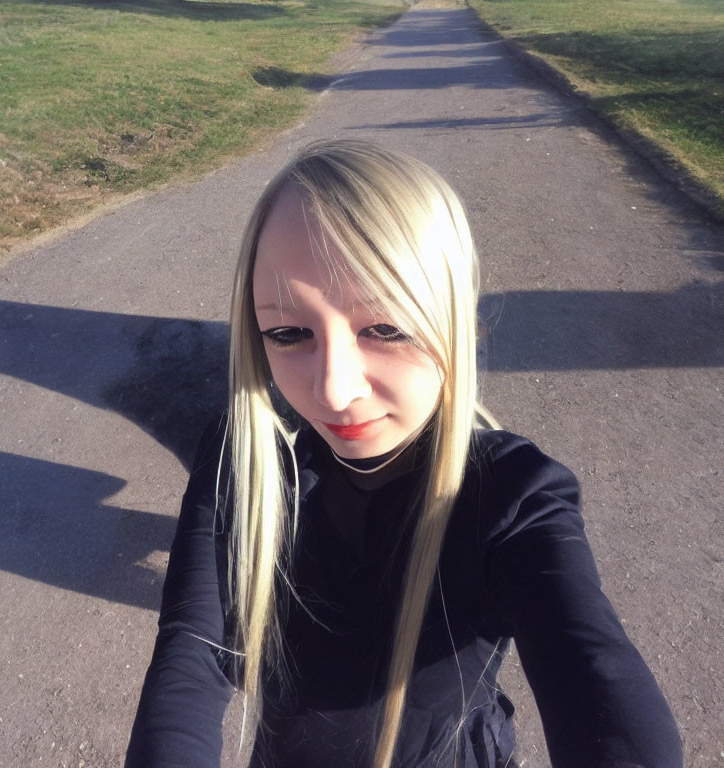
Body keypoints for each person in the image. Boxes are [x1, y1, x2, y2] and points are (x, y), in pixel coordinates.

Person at [125, 140, 682, 768]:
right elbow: (189, 659)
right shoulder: (245, 461)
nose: (335, 389)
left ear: (460, 325)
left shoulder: (510, 496)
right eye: (287, 332)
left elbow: (598, 677)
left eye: (386, 328)